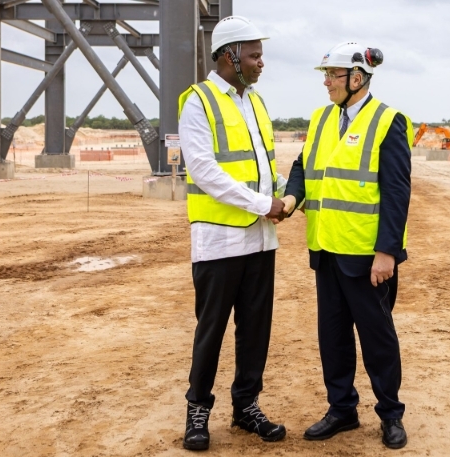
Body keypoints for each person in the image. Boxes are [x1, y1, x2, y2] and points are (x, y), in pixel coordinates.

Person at [281, 42, 413, 450]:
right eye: (325, 75)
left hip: (365, 254)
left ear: (357, 78)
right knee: (333, 336)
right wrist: (290, 198)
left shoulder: (387, 121)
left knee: (377, 339)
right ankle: (342, 409)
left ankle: (390, 414)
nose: (325, 83)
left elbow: (396, 191)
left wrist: (387, 251)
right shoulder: (322, 118)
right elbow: (304, 166)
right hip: (325, 248)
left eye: (332, 75)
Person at [177, 15, 287, 451]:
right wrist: (265, 205)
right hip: (219, 241)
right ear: (229, 56)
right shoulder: (198, 102)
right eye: (254, 54)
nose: (262, 62)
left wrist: (283, 194)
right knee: (212, 330)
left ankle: (246, 407)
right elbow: (204, 170)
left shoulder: (255, 102)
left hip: (260, 239)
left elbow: (264, 166)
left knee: (255, 330)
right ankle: (197, 411)